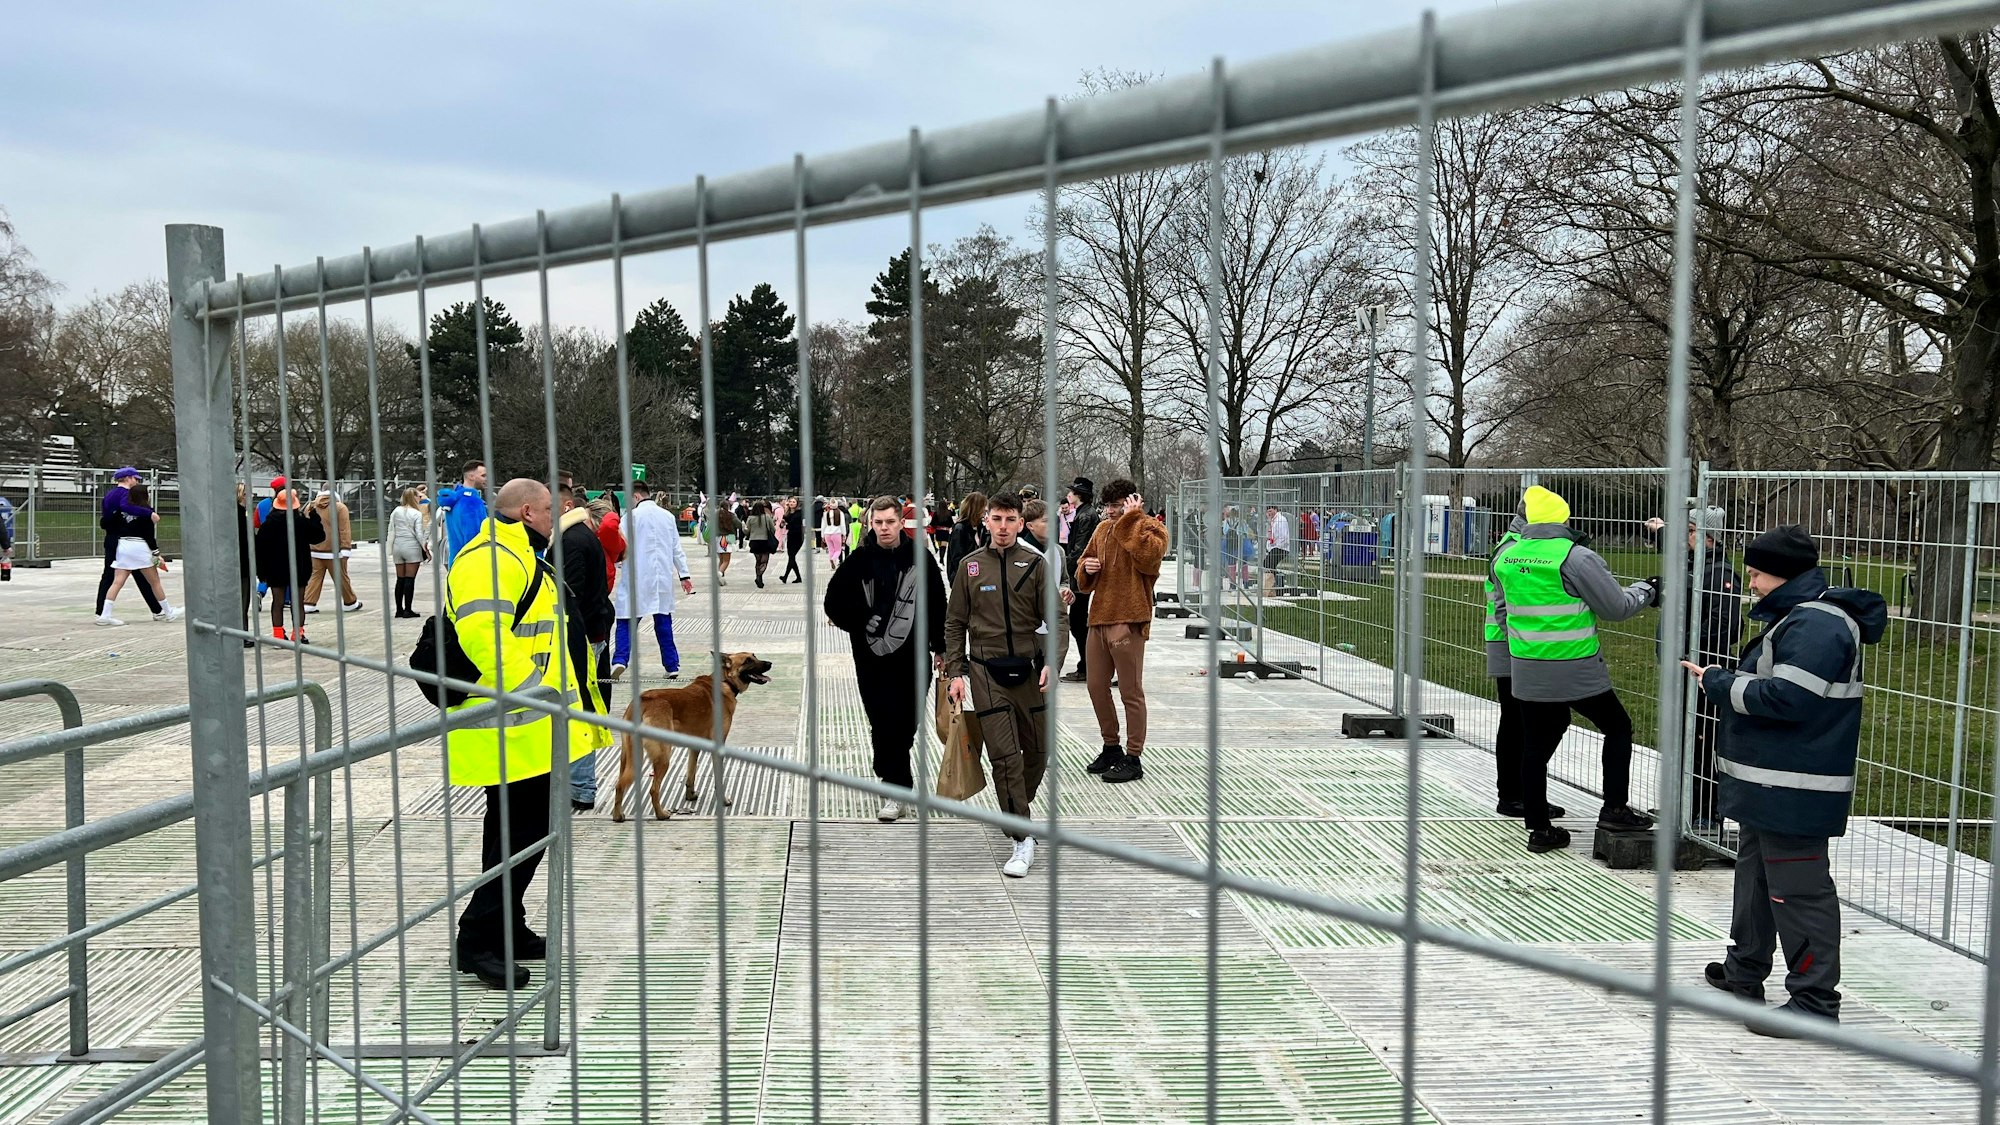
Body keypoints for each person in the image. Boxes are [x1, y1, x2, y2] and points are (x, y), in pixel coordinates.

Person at [1684, 526, 1884, 1034]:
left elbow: (1788, 700)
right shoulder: (1797, 616)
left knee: (1799, 891)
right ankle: (1744, 969)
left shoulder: (1817, 626)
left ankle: (1814, 1003)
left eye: (1756, 574)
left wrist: (1718, 682)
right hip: (1768, 785)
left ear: (1784, 573)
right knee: (1754, 877)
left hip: (1795, 786)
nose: (1749, 583)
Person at [445, 478, 594, 990]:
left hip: (527, 729)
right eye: (551, 508)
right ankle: (477, 940)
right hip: (506, 725)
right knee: (513, 837)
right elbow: (484, 636)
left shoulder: (523, 556)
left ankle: (507, 926)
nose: (558, 514)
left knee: (526, 836)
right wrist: (538, 693)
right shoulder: (491, 559)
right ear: (527, 511)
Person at [1490, 485, 1658, 854]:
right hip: (1578, 668)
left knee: (1535, 744)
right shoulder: (1576, 557)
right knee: (1617, 727)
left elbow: (1503, 615)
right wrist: (1646, 590)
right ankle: (1614, 807)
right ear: (1565, 518)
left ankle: (1539, 828)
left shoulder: (1507, 557)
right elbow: (1615, 607)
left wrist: (1530, 643)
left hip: (1528, 668)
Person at [944, 492, 1067, 878]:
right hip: (984, 672)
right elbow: (954, 623)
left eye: (1009, 519)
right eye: (996, 519)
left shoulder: (1036, 564)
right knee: (1004, 757)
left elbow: (1057, 619)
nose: (1002, 526)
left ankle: (1015, 809)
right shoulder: (970, 566)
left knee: (1038, 751)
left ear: (1020, 523)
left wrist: (1052, 662)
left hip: (1030, 671)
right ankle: (1021, 836)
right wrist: (955, 671)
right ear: (986, 521)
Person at [825, 495, 948, 822]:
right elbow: (833, 603)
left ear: (900, 522)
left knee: (907, 722)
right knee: (882, 721)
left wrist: (943, 647)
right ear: (870, 524)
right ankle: (895, 787)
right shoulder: (859, 559)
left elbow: (938, 604)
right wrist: (860, 619)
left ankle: (892, 774)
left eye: (889, 522)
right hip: (872, 660)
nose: (884, 528)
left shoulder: (920, 557)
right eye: (877, 523)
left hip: (914, 657)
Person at [1645, 506, 1745, 829]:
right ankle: (1680, 805)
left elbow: (1727, 625)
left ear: (1709, 537)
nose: (1684, 537)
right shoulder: (1691, 566)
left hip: (1702, 671)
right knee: (1680, 738)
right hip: (1680, 669)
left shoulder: (1721, 575)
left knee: (1702, 740)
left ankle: (1706, 812)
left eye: (1690, 530)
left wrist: (1688, 647)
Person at [1075, 478, 1168, 784]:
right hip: (1099, 617)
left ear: (1133, 502)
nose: (1111, 511)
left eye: (1117, 506)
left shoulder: (1151, 529)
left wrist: (1132, 520)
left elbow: (1147, 558)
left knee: (1131, 691)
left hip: (1128, 619)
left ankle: (1134, 756)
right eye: (1108, 506)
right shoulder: (1102, 530)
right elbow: (1082, 563)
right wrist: (1085, 569)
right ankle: (1111, 746)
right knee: (1095, 686)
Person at [1483, 507, 1562, 821]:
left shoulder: (1517, 541)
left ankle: (1521, 793)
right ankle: (1516, 795)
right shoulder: (1515, 547)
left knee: (1527, 719)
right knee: (1521, 720)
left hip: (1513, 642)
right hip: (1511, 644)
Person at [556, 484, 616, 812]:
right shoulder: (578, 536)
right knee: (582, 705)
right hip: (593, 629)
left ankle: (580, 786)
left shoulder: (571, 540)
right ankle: (579, 783)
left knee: (578, 706)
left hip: (584, 635)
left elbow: (570, 597)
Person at [610, 480, 695, 681]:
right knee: (663, 622)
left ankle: (620, 660)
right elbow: (677, 548)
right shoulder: (667, 517)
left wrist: (616, 564)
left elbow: (620, 545)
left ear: (636, 496)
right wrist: (684, 575)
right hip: (662, 579)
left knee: (626, 620)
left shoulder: (629, 517)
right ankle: (672, 664)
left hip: (636, 576)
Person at [94, 467, 169, 623]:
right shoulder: (125, 495)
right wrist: (149, 514)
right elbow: (126, 508)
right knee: (134, 575)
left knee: (112, 575)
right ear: (128, 478)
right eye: (136, 479)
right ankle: (159, 610)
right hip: (125, 539)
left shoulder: (109, 495)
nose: (137, 481)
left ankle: (102, 611)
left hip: (112, 538)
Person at [255, 487, 322, 643]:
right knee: (298, 602)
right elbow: (318, 536)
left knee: (277, 602)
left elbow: (260, 548)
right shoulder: (300, 523)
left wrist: (262, 571)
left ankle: (278, 634)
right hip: (298, 566)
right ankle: (298, 633)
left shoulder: (268, 525)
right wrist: (313, 516)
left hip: (275, 568)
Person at [1059, 479, 1100, 683]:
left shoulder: (1086, 515)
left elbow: (1079, 549)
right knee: (1077, 622)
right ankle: (1086, 665)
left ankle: (1087, 666)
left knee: (1077, 622)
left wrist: (1062, 565)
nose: (1069, 495)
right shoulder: (1083, 513)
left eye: (1072, 492)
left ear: (1079, 494)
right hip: (1078, 573)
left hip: (1080, 575)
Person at [302, 490, 363, 614]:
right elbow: (344, 529)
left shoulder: (310, 506)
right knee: (341, 578)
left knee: (314, 577)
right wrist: (346, 548)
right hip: (334, 550)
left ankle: (308, 603)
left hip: (314, 549)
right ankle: (350, 602)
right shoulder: (339, 507)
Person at [434, 460, 490, 566]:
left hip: (456, 561)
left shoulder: (454, 500)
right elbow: (474, 538)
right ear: (471, 476)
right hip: (472, 564)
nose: (486, 479)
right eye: (483, 475)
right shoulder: (471, 502)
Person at [388, 487, 430, 619]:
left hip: (397, 546)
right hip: (411, 546)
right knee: (409, 579)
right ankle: (408, 609)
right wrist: (425, 549)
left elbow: (391, 529)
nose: (420, 499)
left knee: (400, 579)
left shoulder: (396, 511)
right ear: (414, 498)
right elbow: (418, 533)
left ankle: (398, 609)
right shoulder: (416, 514)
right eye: (418, 497)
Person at [945, 491, 987, 584]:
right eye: (983, 506)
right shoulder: (959, 529)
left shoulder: (982, 528)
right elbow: (958, 557)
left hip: (978, 577)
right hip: (963, 578)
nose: (986, 509)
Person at [744, 500, 778, 588]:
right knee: (764, 561)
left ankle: (758, 577)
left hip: (754, 541)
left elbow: (747, 531)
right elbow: (773, 529)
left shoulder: (750, 518)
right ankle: (760, 576)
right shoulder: (767, 517)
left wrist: (743, 528)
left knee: (758, 561)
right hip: (765, 541)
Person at [1263, 505, 1291, 595]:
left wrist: (1276, 546)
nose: (1269, 513)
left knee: (1268, 563)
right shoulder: (1272, 521)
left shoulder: (1281, 520)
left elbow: (1283, 536)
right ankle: (1274, 585)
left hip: (1281, 547)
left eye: (1271, 511)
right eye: (1268, 512)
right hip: (1274, 546)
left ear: (1275, 510)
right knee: (1269, 564)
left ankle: (1277, 582)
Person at [780, 497, 806, 584]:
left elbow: (797, 523)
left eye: (793, 502)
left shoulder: (799, 512)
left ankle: (785, 576)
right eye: (790, 501)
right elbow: (782, 525)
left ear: (797, 503)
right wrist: (782, 523)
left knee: (791, 556)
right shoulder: (787, 513)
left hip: (798, 536)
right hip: (790, 536)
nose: (791, 503)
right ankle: (798, 577)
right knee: (791, 557)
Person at [819, 497, 848, 566]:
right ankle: (833, 559)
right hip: (836, 533)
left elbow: (823, 525)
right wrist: (844, 534)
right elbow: (842, 525)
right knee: (838, 550)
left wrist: (822, 536)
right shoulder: (840, 513)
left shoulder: (825, 513)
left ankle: (832, 561)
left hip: (827, 533)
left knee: (831, 549)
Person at [714, 503, 736, 586]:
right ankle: (719, 574)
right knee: (726, 560)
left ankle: (721, 579)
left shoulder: (715, 515)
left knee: (721, 560)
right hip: (726, 538)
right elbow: (738, 524)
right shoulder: (730, 515)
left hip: (717, 538)